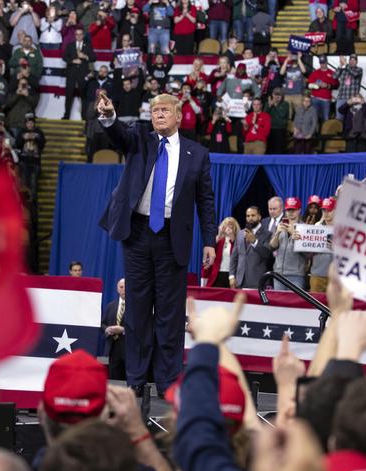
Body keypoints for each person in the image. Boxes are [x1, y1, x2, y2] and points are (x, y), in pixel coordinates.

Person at [97, 92, 216, 397]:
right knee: (137, 310)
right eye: (154, 110)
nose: (158, 115)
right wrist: (110, 115)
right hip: (137, 234)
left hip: (172, 239)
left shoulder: (197, 154)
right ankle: (136, 379)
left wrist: (209, 241)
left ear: (179, 116)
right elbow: (119, 135)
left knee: (169, 314)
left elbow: (205, 201)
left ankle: (167, 382)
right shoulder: (140, 139)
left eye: (164, 110)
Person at [269, 197, 307, 290]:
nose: (290, 213)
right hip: (279, 273)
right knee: (278, 303)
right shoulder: (280, 225)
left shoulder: (305, 228)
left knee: (294, 303)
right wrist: (277, 233)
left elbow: (307, 254)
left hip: (296, 275)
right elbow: (272, 247)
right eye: (288, 210)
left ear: (299, 210)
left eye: (293, 210)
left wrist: (293, 233)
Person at [229, 206, 272, 289]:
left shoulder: (267, 234)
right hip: (239, 281)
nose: (250, 218)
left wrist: (254, 242)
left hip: (257, 281)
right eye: (248, 216)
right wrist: (231, 276)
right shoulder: (240, 233)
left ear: (259, 217)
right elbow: (234, 257)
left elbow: (267, 254)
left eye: (253, 215)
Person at [63, 28, 97, 120]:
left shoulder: (88, 46)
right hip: (71, 74)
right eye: (76, 34)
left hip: (83, 75)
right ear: (75, 35)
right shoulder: (70, 45)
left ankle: (84, 116)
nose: (78, 36)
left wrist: (85, 56)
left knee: (83, 96)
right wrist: (73, 61)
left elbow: (94, 58)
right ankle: (66, 116)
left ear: (83, 35)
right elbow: (64, 57)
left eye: (80, 34)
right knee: (69, 95)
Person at [202, 216, 240, 287]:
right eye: (226, 225)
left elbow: (238, 253)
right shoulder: (219, 241)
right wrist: (219, 234)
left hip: (232, 276)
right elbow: (210, 251)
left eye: (230, 225)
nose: (228, 228)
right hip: (218, 275)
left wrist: (232, 237)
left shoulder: (238, 241)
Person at [101, 278, 127, 380]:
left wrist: (123, 330)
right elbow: (103, 323)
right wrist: (107, 329)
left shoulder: (136, 307)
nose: (124, 289)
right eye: (121, 287)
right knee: (113, 378)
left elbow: (140, 327)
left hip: (129, 348)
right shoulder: (111, 306)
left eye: (126, 287)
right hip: (113, 348)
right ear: (117, 289)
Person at [308, 197, 335, 292]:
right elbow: (308, 251)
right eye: (324, 210)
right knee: (314, 305)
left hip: (336, 276)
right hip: (317, 274)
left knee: (334, 306)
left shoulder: (343, 228)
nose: (326, 213)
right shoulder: (316, 226)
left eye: (329, 210)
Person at [307, 55, 337, 122]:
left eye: (324, 62)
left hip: (326, 99)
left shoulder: (332, 73)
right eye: (321, 63)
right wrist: (314, 85)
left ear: (327, 62)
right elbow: (308, 85)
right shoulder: (315, 73)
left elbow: (336, 85)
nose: (323, 64)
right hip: (315, 98)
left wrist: (327, 85)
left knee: (326, 118)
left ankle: (325, 132)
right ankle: (315, 132)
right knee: (314, 118)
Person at [334, 54, 363, 120]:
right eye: (351, 60)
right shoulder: (343, 70)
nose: (352, 61)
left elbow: (354, 74)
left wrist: (346, 64)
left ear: (357, 62)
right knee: (339, 118)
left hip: (353, 99)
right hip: (341, 97)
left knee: (352, 119)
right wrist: (340, 65)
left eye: (354, 60)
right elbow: (335, 76)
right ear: (349, 61)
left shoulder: (359, 70)